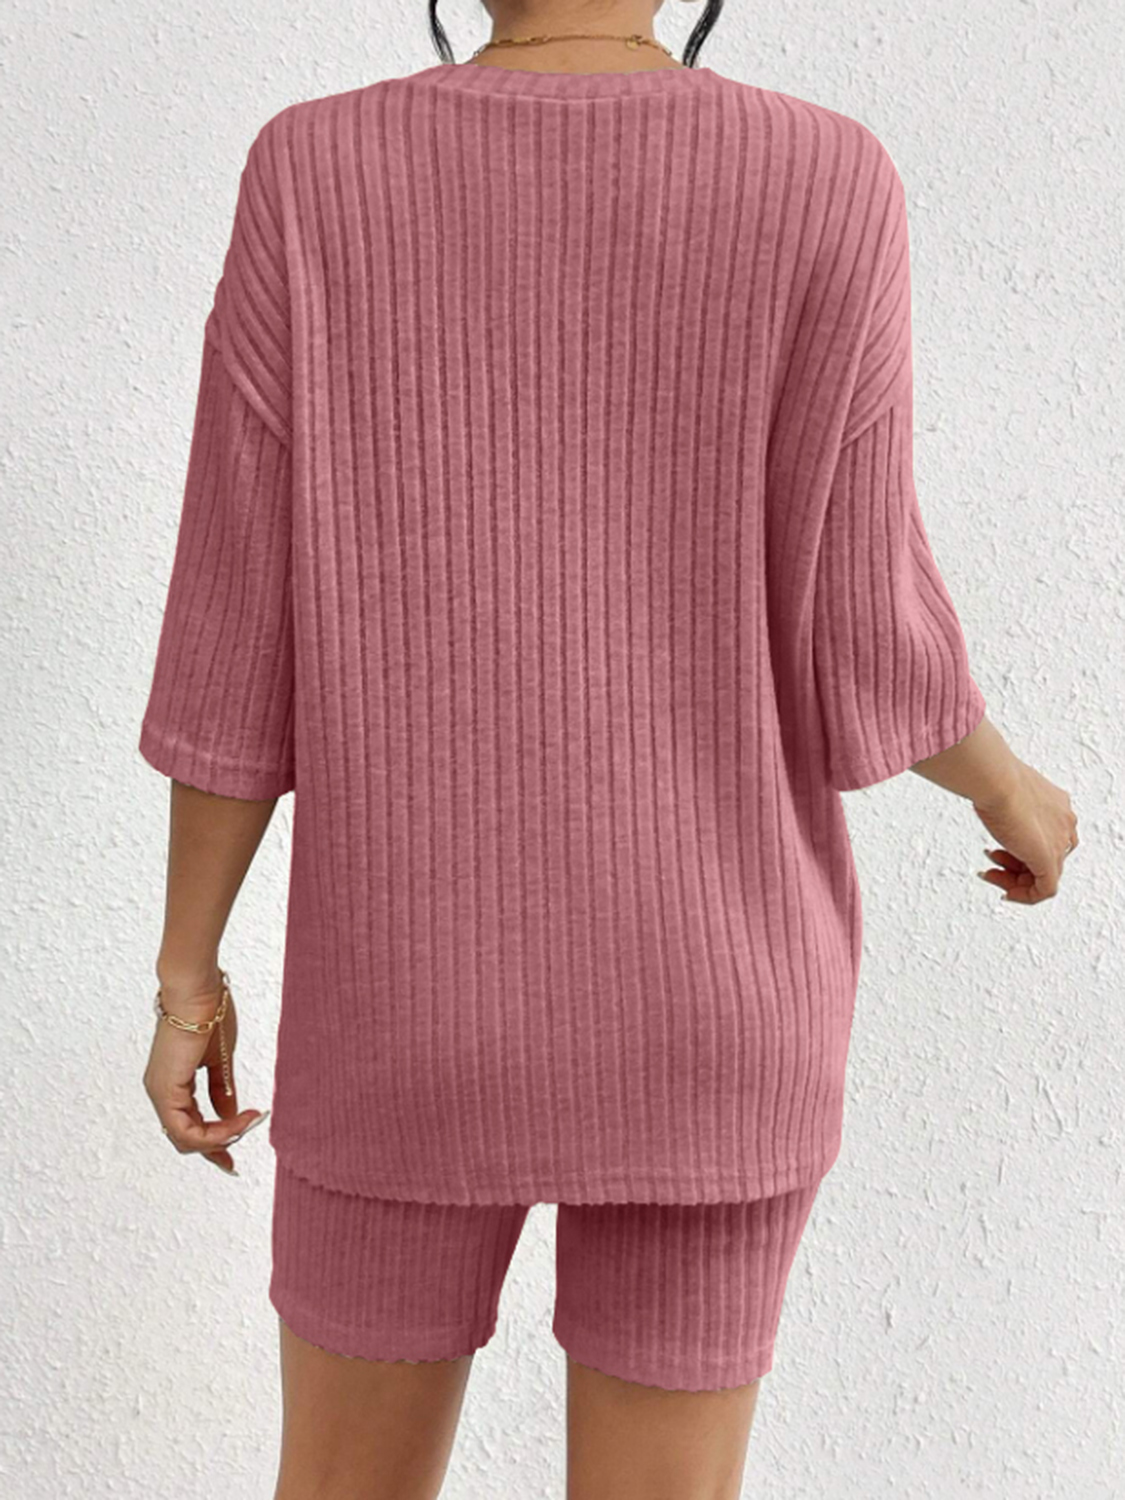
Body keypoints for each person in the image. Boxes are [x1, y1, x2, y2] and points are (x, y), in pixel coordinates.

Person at [137, 2, 1079, 1496]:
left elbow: (235, 631)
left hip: (404, 1011)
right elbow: (867, 630)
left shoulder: (316, 171)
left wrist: (189, 974)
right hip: (717, 1005)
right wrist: (1013, 791)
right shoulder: (825, 177)